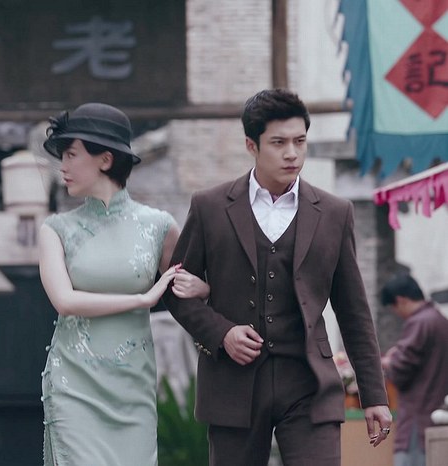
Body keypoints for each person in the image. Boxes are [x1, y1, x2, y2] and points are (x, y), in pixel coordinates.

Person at [162, 88, 393, 465]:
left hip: (308, 382)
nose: (292, 153)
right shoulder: (210, 207)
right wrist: (222, 333)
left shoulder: (335, 213)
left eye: (300, 141)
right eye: (279, 143)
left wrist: (374, 395)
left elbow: (353, 311)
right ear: (251, 145)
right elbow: (175, 290)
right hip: (233, 385)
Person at [38, 102, 210, 465]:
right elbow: (65, 301)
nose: (62, 166)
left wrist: (206, 289)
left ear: (105, 160)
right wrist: (142, 299)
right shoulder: (56, 229)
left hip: (133, 386)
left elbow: (189, 287)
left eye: (71, 155)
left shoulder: (159, 226)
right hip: (74, 385)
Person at [380, 273, 448, 466]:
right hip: (435, 418)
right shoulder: (439, 319)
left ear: (401, 300)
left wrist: (387, 362)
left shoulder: (419, 323)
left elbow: (401, 368)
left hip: (416, 422)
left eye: (394, 308)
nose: (397, 313)